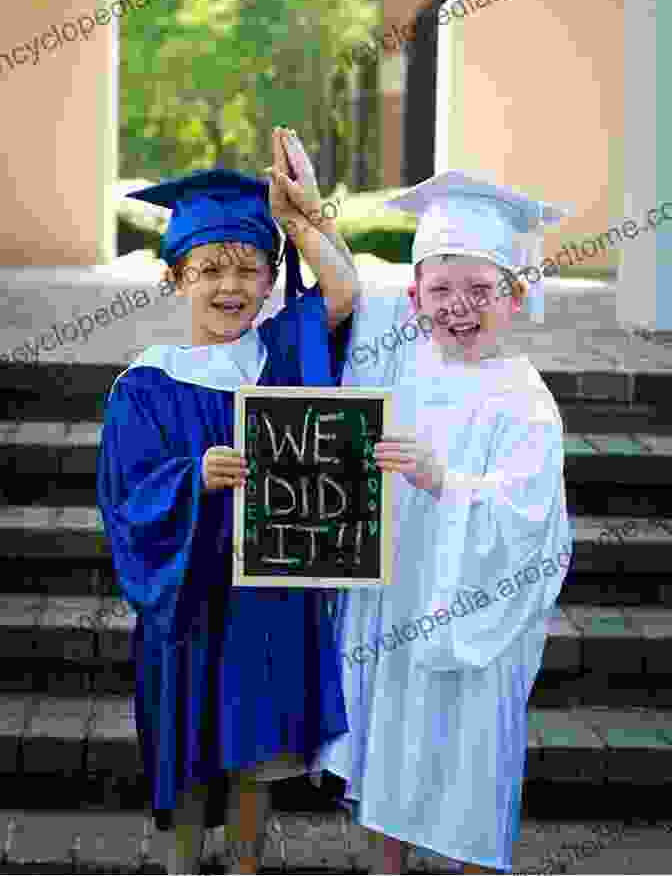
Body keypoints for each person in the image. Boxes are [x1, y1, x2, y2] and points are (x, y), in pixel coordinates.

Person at [277, 135, 573, 874]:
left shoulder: (527, 403)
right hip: (397, 605)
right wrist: (309, 216)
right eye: (440, 291)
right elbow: (344, 287)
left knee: (469, 773)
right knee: (392, 761)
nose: (459, 308)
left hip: (477, 627)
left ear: (516, 294)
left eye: (481, 289)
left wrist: (446, 482)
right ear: (414, 299)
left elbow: (530, 525)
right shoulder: (401, 348)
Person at [96, 161, 359, 875]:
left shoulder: (279, 352)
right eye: (209, 268)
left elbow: (343, 290)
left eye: (249, 268)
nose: (230, 286)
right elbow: (126, 500)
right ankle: (181, 867)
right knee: (187, 748)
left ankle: (245, 866)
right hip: (186, 598)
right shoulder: (145, 383)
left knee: (254, 750)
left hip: (265, 595)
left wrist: (299, 215)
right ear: (175, 278)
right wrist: (193, 478)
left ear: (272, 280)